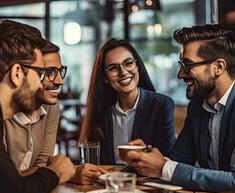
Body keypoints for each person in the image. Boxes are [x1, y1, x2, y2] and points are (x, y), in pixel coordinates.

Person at [127, 24, 235, 193]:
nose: (180, 74)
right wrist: (148, 158)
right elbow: (177, 163)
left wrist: (164, 167)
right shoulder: (198, 105)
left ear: (218, 67)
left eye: (188, 65)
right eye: (181, 64)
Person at [0, 20, 75, 193]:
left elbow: (4, 185)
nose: (40, 84)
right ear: (17, 73)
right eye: (40, 73)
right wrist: (56, 172)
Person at [72, 38, 176, 184]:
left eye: (128, 63)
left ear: (137, 66)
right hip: (107, 187)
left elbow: (169, 160)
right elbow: (93, 163)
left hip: (148, 187)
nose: (123, 72)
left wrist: (146, 153)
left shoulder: (162, 105)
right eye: (114, 68)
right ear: (105, 78)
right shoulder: (100, 110)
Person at [4, 41, 67, 175]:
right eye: (49, 72)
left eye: (60, 71)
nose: (60, 81)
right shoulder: (1, 110)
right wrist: (55, 172)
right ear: (19, 73)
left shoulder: (51, 107)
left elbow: (42, 164)